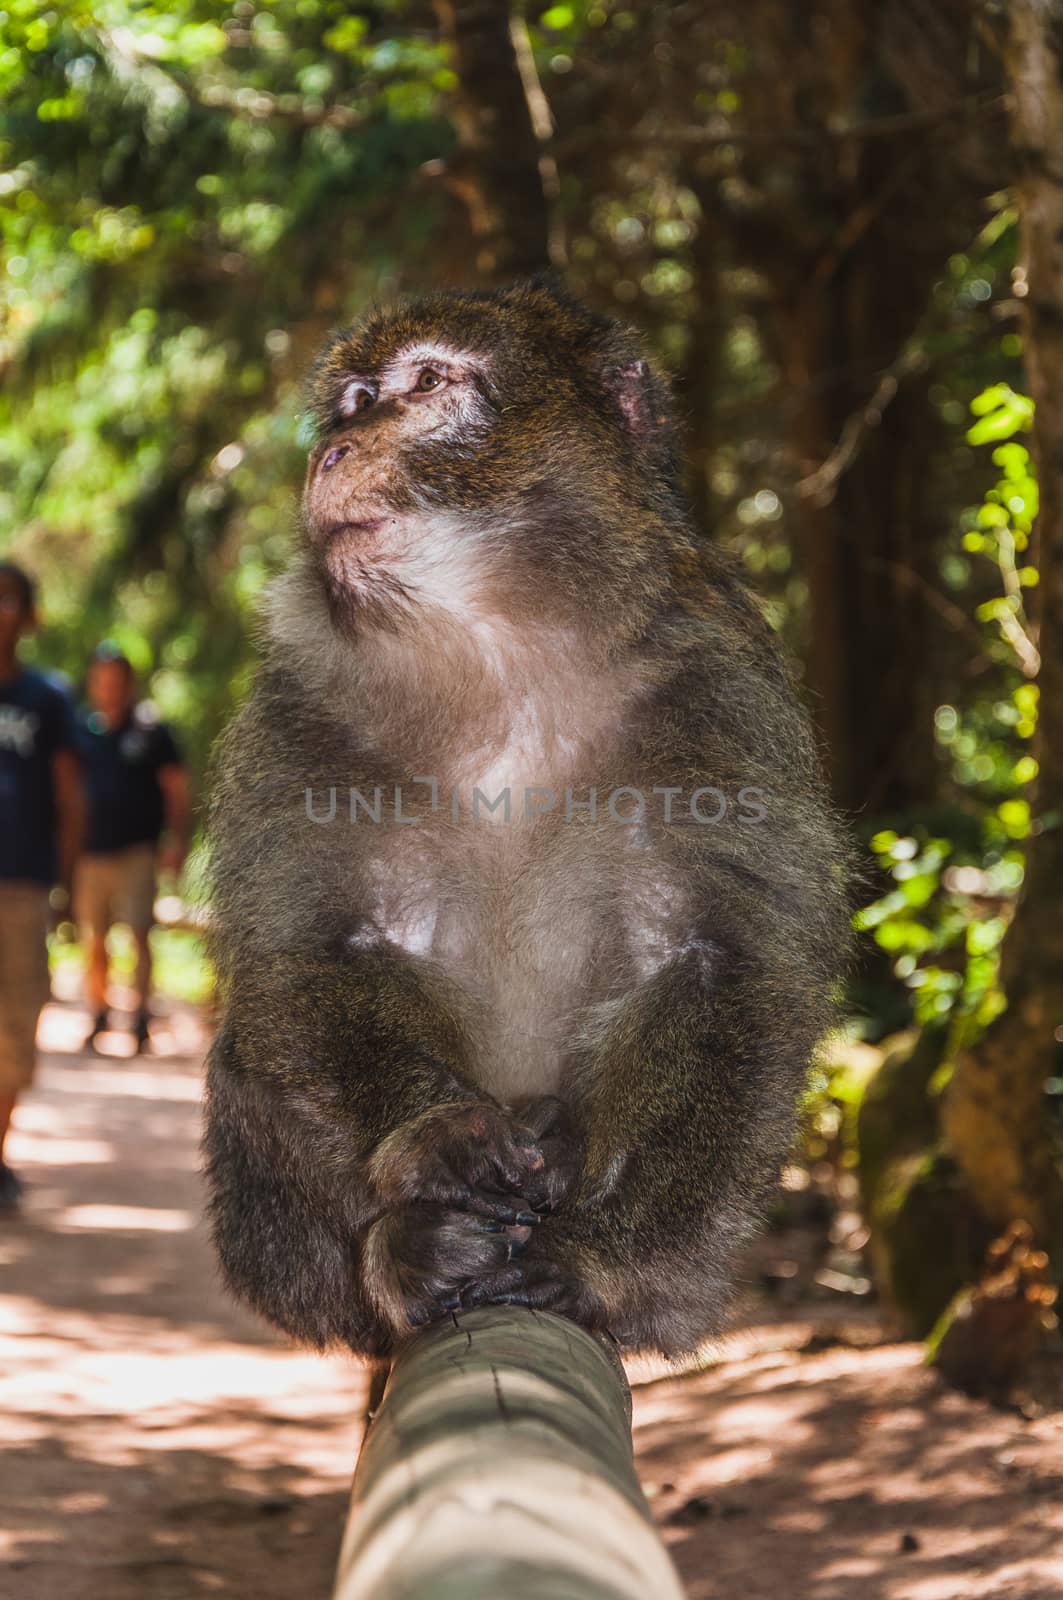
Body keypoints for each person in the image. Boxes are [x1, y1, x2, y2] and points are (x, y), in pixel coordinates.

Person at [0, 561, 84, 1211]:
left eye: (8, 600)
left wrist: (68, 887)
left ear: (28, 616)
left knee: (13, 1030)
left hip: (23, 889)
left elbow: (68, 797)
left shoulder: (48, 699)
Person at [76, 645, 191, 1052]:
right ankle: (98, 1011)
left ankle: (140, 1016)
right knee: (94, 939)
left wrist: (176, 840)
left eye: (115, 677)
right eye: (101, 677)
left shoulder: (151, 731)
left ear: (127, 682)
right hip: (90, 853)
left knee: (140, 933)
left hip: (137, 851)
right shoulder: (80, 730)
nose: (107, 685)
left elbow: (176, 788)